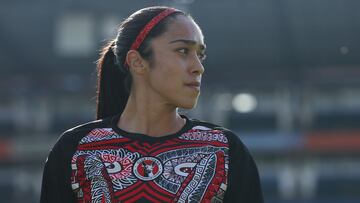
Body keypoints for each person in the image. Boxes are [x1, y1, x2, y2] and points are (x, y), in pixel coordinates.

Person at [40, 6, 263, 203]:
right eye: (183, 50)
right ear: (137, 62)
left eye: (200, 55)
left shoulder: (224, 149)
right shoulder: (74, 149)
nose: (198, 67)